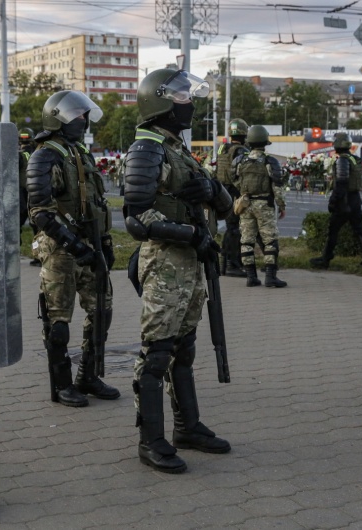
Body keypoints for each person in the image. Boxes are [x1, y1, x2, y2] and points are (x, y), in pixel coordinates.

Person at [123, 68, 232, 473]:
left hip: (189, 264)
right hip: (166, 263)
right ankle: (150, 439)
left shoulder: (179, 149)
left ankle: (187, 427)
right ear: (163, 102)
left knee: (184, 349)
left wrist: (212, 190)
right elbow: (136, 218)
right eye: (184, 96)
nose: (191, 103)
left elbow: (224, 206)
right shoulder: (147, 149)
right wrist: (190, 234)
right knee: (157, 354)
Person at [26, 90, 120, 408]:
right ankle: (62, 384)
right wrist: (73, 244)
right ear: (59, 118)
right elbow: (40, 212)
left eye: (84, 115)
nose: (83, 121)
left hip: (89, 244)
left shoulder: (80, 153)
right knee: (57, 321)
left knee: (101, 312)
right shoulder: (44, 156)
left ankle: (88, 377)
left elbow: (96, 202)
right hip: (60, 248)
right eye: (77, 115)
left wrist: (104, 243)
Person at [309, 132, 362, 269]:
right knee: (359, 230)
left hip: (344, 201)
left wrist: (333, 201)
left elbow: (341, 182)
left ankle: (326, 258)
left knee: (333, 230)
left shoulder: (342, 160)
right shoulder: (354, 159)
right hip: (355, 199)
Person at [231, 125, 287, 287]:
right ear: (265, 142)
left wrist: (244, 193)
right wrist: (281, 206)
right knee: (270, 240)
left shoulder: (240, 160)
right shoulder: (270, 161)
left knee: (247, 240)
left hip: (246, 203)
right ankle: (270, 276)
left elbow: (235, 181)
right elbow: (277, 186)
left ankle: (251, 276)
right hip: (264, 204)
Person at [214, 119, 249, 277]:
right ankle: (232, 264)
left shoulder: (223, 147)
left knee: (230, 228)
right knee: (234, 229)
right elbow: (242, 173)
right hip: (234, 190)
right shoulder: (240, 150)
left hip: (222, 190)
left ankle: (224, 263)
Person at [18, 127, 41, 266]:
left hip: (21, 195)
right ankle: (38, 256)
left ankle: (14, 254)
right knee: (37, 229)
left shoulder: (19, 155)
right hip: (35, 195)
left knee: (15, 227)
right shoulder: (37, 154)